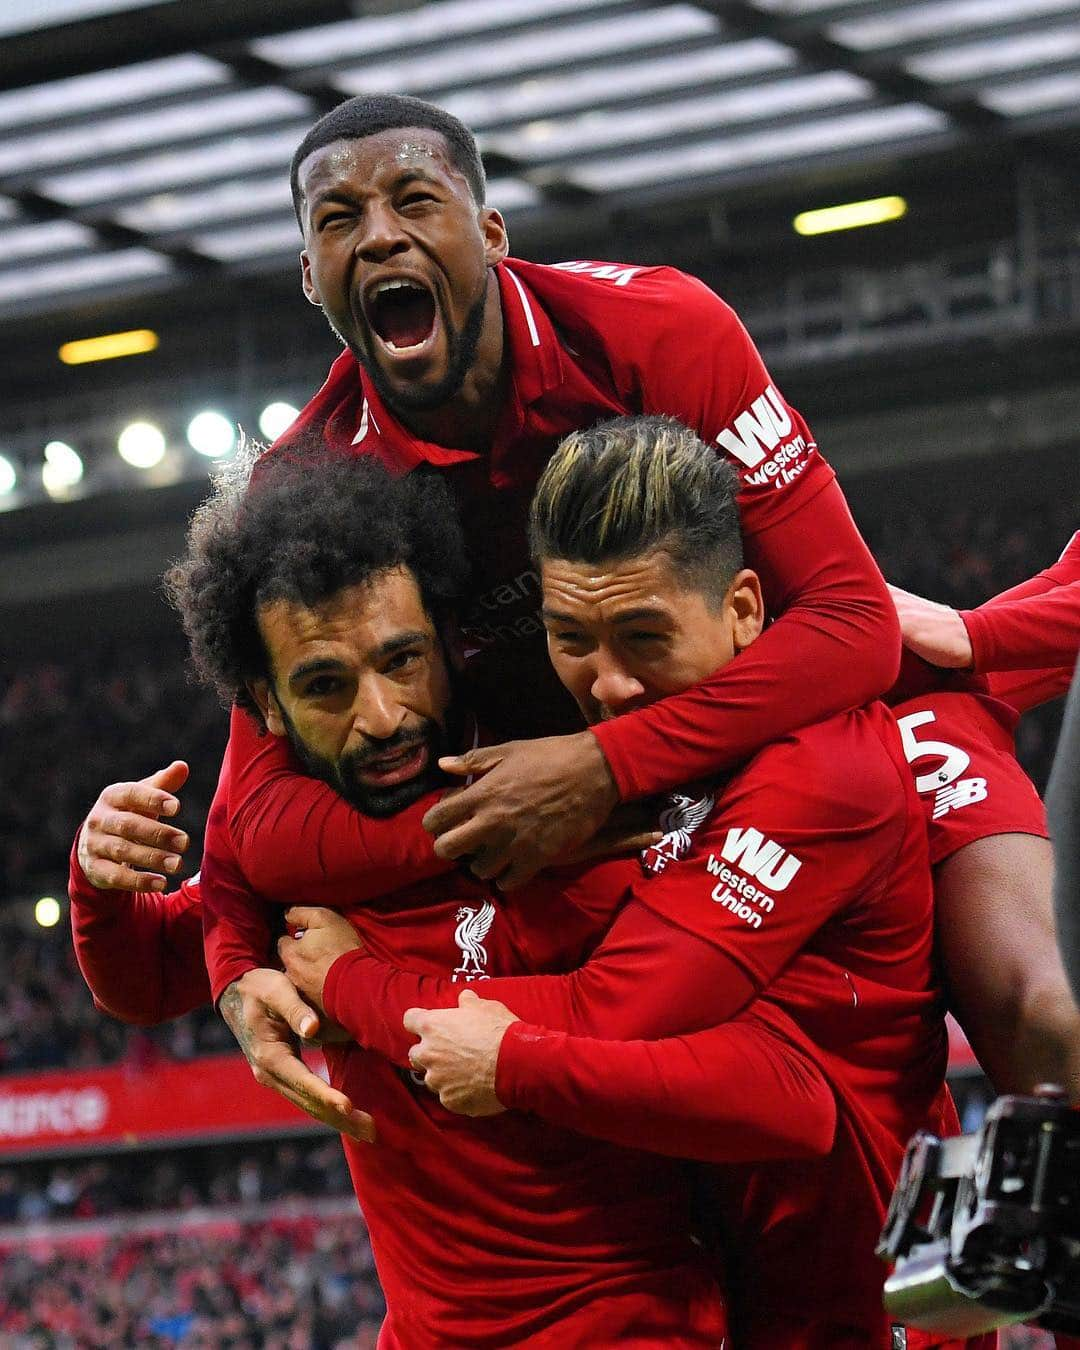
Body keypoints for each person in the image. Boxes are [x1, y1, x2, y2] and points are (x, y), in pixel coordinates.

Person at [75, 438, 846, 1347]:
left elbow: (774, 1093)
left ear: (448, 639)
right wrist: (101, 884)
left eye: (402, 660)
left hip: (629, 1325)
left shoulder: (571, 818)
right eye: (326, 685)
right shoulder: (309, 859)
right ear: (267, 707)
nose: (383, 716)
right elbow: (147, 980)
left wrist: (362, 988)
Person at [186, 91, 901, 1053]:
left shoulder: (658, 335)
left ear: (490, 232)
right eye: (339, 221)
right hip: (553, 856)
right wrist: (237, 971)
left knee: (1024, 993)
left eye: (415, 201)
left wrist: (604, 768)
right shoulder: (306, 483)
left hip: (751, 782)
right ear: (311, 277)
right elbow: (261, 824)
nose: (382, 238)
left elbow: (854, 624)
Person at [264, 415, 971, 1350]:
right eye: (573, 639)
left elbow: (618, 1013)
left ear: (745, 610)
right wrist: (197, 924)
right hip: (745, 1290)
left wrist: (360, 989)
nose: (609, 689)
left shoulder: (819, 773)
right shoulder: (634, 767)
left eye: (644, 637)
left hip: (873, 1305)